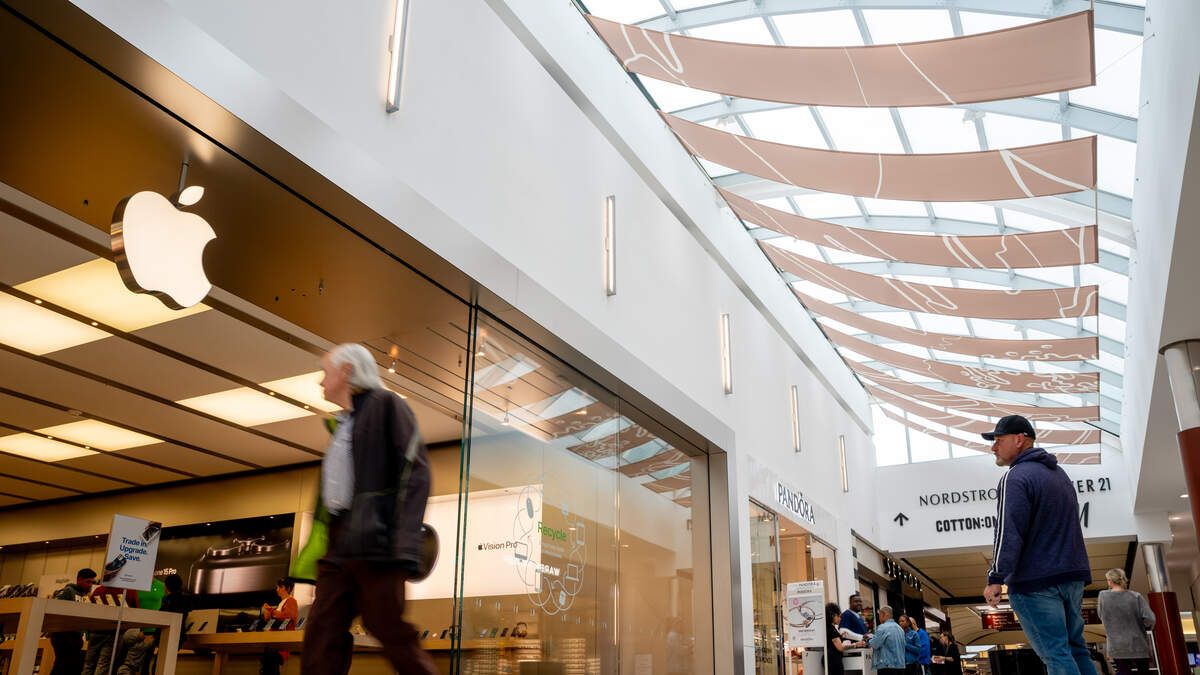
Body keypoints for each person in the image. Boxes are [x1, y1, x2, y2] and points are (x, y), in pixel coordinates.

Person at [301, 343, 436, 675]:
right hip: (339, 543)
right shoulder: (344, 422)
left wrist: (403, 542)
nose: (321, 381)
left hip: (375, 540)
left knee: (388, 628)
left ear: (347, 371)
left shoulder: (386, 405)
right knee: (322, 632)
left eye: (326, 372)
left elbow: (416, 473)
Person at [982, 415, 1095, 675]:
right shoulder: (1058, 474)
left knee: (1056, 653)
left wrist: (996, 577)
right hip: (1072, 576)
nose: (993, 447)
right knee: (1077, 649)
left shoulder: (1015, 477)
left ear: (1019, 440)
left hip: (1036, 581)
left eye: (998, 440)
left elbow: (1008, 532)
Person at [1097, 569, 1155, 675]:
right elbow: (1150, 618)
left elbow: (1101, 615)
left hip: (1116, 645)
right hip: (1138, 643)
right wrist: (1143, 628)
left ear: (1110, 581)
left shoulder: (1103, 596)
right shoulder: (1136, 596)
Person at [82, 584, 140, 675]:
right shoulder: (130, 590)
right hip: (115, 632)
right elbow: (136, 611)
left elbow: (90, 609)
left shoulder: (99, 590)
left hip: (96, 631)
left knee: (88, 664)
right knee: (103, 664)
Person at [49, 568, 97, 675]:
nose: (90, 585)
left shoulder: (84, 596)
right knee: (62, 665)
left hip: (76, 636)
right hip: (62, 635)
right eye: (88, 582)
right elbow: (54, 609)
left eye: (92, 582)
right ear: (79, 580)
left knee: (69, 667)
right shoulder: (68, 591)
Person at [261, 577, 299, 675]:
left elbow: (288, 616)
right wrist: (268, 617)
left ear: (288, 588)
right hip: (273, 642)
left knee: (271, 668)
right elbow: (274, 621)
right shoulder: (280, 604)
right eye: (277, 587)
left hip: (281, 644)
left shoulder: (291, 601)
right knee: (269, 669)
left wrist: (271, 611)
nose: (277, 589)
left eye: (280, 587)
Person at [826, 602, 866, 675]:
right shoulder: (831, 630)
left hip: (831, 660)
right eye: (838, 616)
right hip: (834, 661)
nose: (840, 618)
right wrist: (856, 644)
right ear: (833, 615)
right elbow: (840, 647)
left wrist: (841, 636)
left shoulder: (829, 628)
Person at [869, 606, 907, 675]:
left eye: (879, 616)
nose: (879, 618)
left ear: (883, 614)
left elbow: (874, 644)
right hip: (901, 666)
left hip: (887, 666)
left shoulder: (883, 627)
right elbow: (904, 645)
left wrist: (868, 639)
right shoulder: (900, 629)